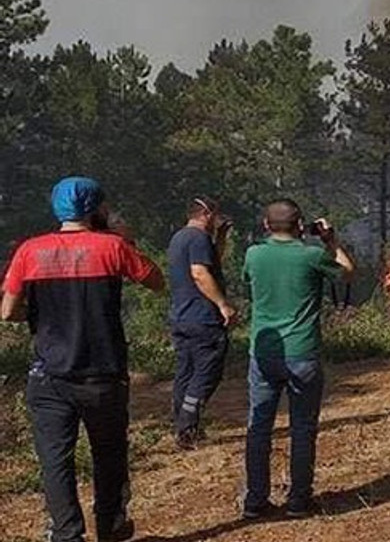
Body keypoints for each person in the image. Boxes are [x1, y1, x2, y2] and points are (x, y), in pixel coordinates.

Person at [1, 177, 165, 542]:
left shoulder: (30, 250)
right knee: (109, 453)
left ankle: (66, 533)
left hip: (49, 376)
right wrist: (124, 239)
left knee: (55, 460)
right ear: (94, 208)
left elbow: (7, 310)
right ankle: (110, 524)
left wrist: (38, 315)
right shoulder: (113, 246)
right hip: (103, 375)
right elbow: (156, 281)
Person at [241, 199, 354, 519]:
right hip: (302, 353)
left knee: (258, 427)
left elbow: (249, 285)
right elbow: (347, 273)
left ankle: (255, 501)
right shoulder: (313, 255)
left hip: (263, 354)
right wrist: (331, 241)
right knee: (302, 428)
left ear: (266, 225)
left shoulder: (254, 254)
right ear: (301, 226)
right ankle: (298, 501)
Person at [168, 196, 237, 449]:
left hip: (181, 317)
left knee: (185, 371)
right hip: (202, 318)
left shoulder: (180, 238)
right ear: (206, 213)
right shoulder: (197, 238)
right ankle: (187, 428)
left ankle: (180, 423)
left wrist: (220, 238)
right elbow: (200, 272)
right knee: (207, 372)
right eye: (215, 215)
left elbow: (211, 261)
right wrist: (222, 304)